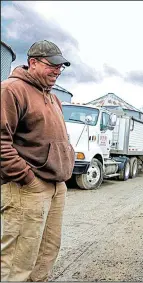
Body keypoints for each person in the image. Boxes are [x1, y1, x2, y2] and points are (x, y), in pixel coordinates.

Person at [1, 40, 75, 281]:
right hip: (28, 187)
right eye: (52, 65)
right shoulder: (11, 90)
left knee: (46, 252)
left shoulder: (53, 98)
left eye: (61, 67)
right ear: (32, 62)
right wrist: (28, 178)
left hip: (56, 186)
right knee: (18, 260)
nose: (57, 71)